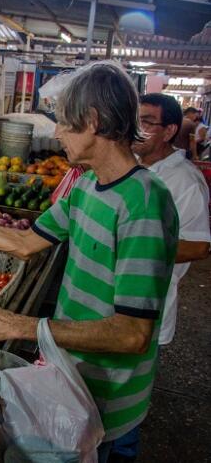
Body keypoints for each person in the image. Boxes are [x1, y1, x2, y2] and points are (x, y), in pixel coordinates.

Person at [0, 61, 179, 463]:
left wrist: (22, 326)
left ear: (94, 121)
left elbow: (132, 333)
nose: (59, 133)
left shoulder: (146, 202)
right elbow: (25, 243)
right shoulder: (86, 188)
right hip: (68, 381)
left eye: (65, 123)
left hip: (108, 403)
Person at [104, 94, 211, 462]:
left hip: (149, 307)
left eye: (148, 122)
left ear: (168, 131)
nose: (138, 129)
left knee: (126, 402)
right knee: (104, 394)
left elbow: (198, 247)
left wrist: (132, 247)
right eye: (136, 119)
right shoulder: (131, 166)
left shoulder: (184, 181)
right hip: (111, 303)